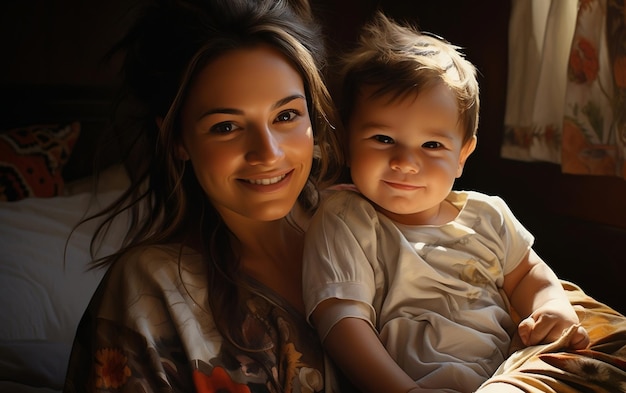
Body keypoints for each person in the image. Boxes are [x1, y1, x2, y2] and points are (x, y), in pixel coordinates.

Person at [63, 0, 353, 391]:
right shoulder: (148, 290)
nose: (268, 153)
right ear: (178, 139)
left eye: (286, 116)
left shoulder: (368, 225)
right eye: (227, 126)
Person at [302, 13, 596, 393]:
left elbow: (529, 276)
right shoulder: (345, 218)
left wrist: (553, 308)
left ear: (462, 155)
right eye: (383, 138)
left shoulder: (488, 216)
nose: (405, 162)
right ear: (346, 141)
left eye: (432, 145)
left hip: (509, 373)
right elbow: (342, 324)